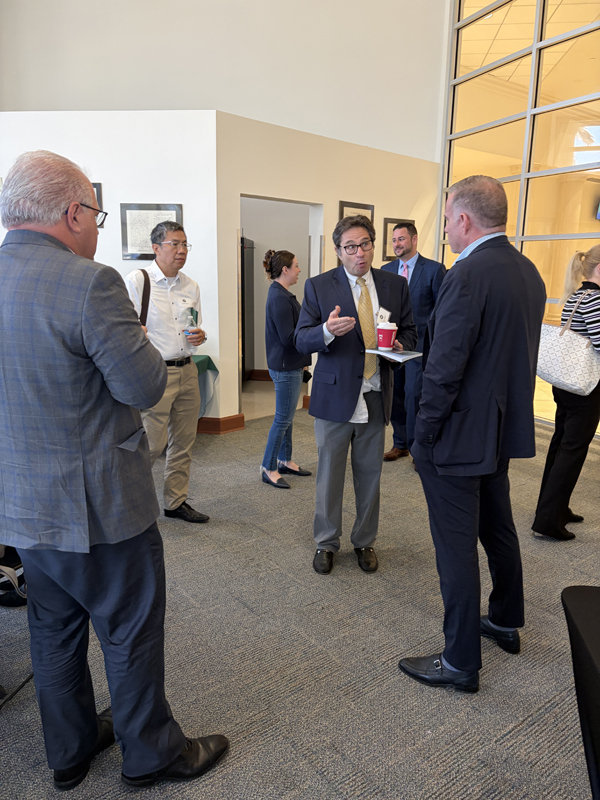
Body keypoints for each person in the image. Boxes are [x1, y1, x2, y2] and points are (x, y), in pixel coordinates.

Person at [0, 151, 228, 789]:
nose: (96, 230)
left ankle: (69, 751)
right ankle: (152, 754)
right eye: (96, 216)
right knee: (129, 631)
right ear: (73, 212)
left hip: (22, 505)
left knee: (52, 631)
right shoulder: (91, 283)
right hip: (99, 506)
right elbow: (143, 384)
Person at [399, 176, 546, 692]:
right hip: (500, 431)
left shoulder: (466, 274)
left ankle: (460, 661)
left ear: (464, 219)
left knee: (455, 546)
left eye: (446, 219)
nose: (444, 228)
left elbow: (445, 367)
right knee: (497, 527)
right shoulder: (528, 271)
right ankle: (505, 619)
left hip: (458, 436)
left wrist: (422, 434)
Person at [295, 215, 417, 574]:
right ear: (338, 251)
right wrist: (326, 331)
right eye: (350, 247)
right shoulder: (319, 286)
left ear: (373, 245)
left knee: (370, 475)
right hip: (334, 398)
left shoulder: (395, 285)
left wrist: (399, 344)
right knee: (329, 476)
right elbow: (300, 339)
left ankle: (365, 540)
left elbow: (411, 331)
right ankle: (326, 542)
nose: (359, 253)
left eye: (365, 244)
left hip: (376, 393)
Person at [125, 221, 209, 523]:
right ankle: (129, 505)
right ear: (156, 248)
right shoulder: (138, 281)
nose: (181, 250)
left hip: (187, 370)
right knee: (151, 444)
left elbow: (194, 326)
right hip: (155, 373)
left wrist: (200, 337)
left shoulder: (191, 286)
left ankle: (176, 502)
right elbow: (124, 329)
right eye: (174, 244)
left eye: (184, 244)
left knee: (184, 441)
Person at [533, 245, 600, 541]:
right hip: (585, 387)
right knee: (572, 450)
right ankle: (548, 520)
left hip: (566, 384)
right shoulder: (596, 300)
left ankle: (555, 508)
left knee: (561, 445)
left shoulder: (577, 296)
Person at [381, 223, 446, 461]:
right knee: (394, 394)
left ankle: (419, 449)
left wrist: (438, 346)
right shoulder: (386, 270)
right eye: (394, 240)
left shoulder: (434, 270)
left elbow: (441, 310)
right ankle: (400, 444)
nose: (396, 244)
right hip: (392, 346)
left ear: (414, 239)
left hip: (420, 348)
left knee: (414, 396)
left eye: (401, 239)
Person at [260, 249, 313, 488]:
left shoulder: (282, 293)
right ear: (285, 269)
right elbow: (289, 337)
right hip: (285, 366)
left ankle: (284, 460)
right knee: (282, 419)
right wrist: (315, 334)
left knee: (288, 417)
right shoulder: (279, 297)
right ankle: (268, 467)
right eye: (296, 265)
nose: (299, 270)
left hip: (289, 364)